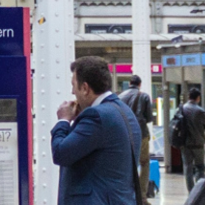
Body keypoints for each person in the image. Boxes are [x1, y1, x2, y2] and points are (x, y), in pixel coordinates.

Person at [50, 56, 140, 205]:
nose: (73, 92)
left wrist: (63, 120)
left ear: (85, 88)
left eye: (74, 85)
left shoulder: (96, 116)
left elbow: (61, 153)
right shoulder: (124, 111)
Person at [119, 75, 155, 204]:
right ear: (139, 84)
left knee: (127, 164)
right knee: (144, 163)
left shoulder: (120, 97)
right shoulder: (144, 96)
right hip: (141, 134)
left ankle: (127, 194)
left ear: (129, 83)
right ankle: (142, 196)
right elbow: (150, 118)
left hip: (124, 135)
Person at [176, 86, 205, 192]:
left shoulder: (181, 109)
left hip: (185, 144)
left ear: (188, 97)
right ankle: (199, 190)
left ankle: (191, 192)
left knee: (188, 168)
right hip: (198, 144)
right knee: (200, 167)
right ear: (198, 98)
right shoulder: (200, 111)